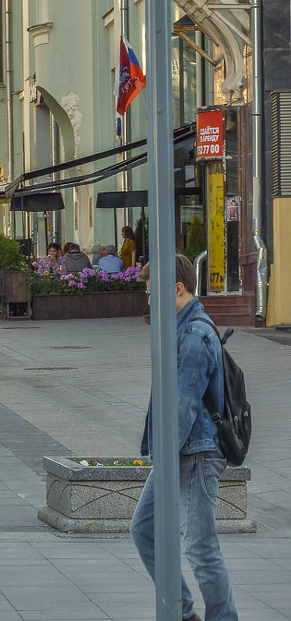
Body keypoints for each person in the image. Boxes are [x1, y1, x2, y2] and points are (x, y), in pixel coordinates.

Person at [131, 254, 238, 621]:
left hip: (196, 453)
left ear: (177, 288)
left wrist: (161, 456)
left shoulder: (195, 334)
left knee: (201, 549)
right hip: (179, 449)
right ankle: (186, 612)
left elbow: (184, 405)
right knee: (144, 528)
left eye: (151, 293)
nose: (148, 301)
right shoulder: (178, 327)